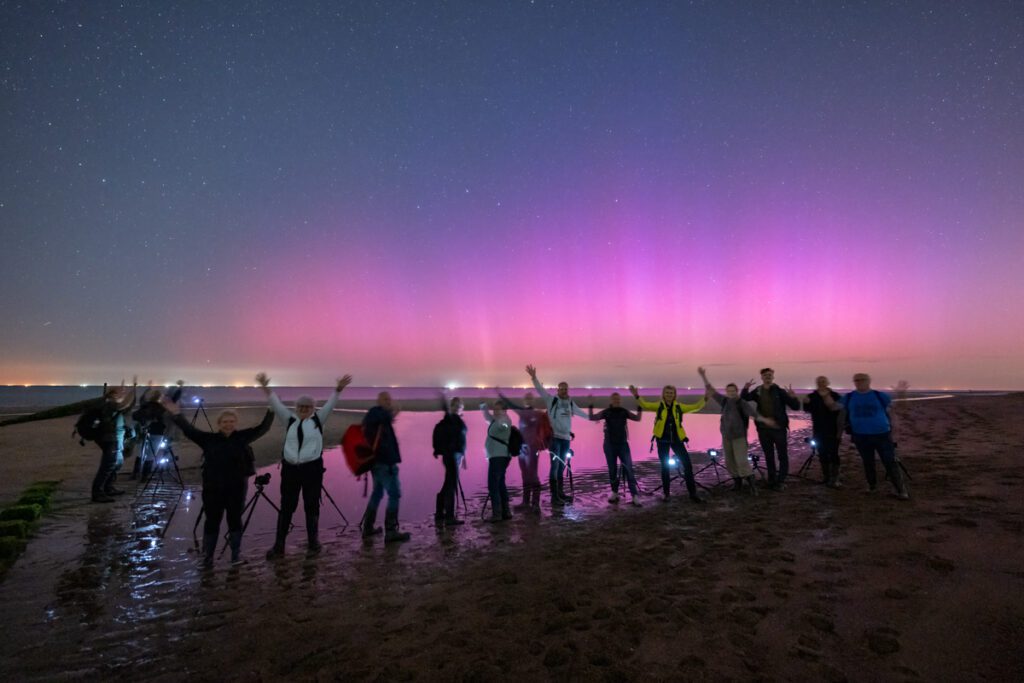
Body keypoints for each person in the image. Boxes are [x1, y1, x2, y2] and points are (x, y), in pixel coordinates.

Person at [163, 398, 274, 568]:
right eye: (224, 421)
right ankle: (208, 558)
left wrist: (272, 408)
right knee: (212, 521)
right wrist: (177, 414)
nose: (228, 424)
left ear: (235, 423)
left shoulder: (242, 437)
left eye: (231, 421)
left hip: (236, 488)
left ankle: (235, 556)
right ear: (219, 423)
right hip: (212, 488)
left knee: (235, 520)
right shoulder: (208, 439)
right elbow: (189, 430)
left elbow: (263, 428)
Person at [259, 372, 352, 558]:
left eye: (308, 406)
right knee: (287, 506)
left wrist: (338, 390)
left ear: (313, 408)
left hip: (312, 470)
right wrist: (266, 389)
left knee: (311, 506)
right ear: (296, 407)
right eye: (301, 406)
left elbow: (330, 404)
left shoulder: (318, 419)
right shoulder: (290, 420)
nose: (304, 409)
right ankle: (279, 546)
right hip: (290, 470)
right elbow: (276, 405)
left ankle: (313, 543)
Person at [629, 381, 706, 503]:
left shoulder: (679, 407)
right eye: (667, 393)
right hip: (662, 440)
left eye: (671, 393)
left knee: (688, 465)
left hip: (677, 440)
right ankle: (666, 494)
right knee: (665, 467)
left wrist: (705, 398)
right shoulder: (659, 406)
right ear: (663, 395)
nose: (669, 394)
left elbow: (696, 406)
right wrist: (636, 396)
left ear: (674, 395)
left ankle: (692, 493)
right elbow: (645, 405)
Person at [526, 365, 588, 505]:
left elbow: (581, 413)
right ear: (558, 390)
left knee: (561, 467)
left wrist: (594, 417)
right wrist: (534, 378)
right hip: (554, 439)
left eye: (566, 389)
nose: (564, 391)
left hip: (566, 439)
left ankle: (560, 493)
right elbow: (540, 391)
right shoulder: (551, 400)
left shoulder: (570, 402)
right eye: (562, 388)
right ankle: (554, 497)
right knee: (554, 467)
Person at [841, 373, 908, 499]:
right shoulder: (849, 397)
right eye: (856, 380)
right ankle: (872, 487)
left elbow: (892, 412)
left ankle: (901, 490)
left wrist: (896, 430)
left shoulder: (879, 395)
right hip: (860, 435)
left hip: (882, 434)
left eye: (862, 380)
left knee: (889, 461)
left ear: (869, 381)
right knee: (868, 462)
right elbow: (836, 408)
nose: (859, 382)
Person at [699, 367, 763, 494]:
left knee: (741, 461)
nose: (731, 393)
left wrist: (766, 420)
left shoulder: (741, 402)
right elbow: (711, 390)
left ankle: (752, 485)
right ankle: (737, 482)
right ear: (726, 392)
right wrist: (703, 376)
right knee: (730, 461)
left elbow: (753, 413)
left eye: (733, 391)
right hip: (726, 437)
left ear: (736, 391)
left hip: (739, 437)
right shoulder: (724, 401)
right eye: (729, 391)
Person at [361, 391, 412, 543]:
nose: (388, 401)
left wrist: (392, 413)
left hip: (379, 463)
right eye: (385, 399)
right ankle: (390, 531)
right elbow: (380, 420)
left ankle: (368, 527)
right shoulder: (375, 413)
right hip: (383, 463)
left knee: (377, 493)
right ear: (378, 400)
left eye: (389, 399)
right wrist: (393, 412)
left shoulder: (379, 416)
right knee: (395, 493)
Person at [740, 368, 800, 491]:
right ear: (762, 377)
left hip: (779, 429)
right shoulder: (758, 390)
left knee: (782, 455)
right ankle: (772, 480)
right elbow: (744, 398)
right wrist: (745, 388)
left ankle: (781, 480)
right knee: (769, 455)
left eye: (770, 375)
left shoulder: (779, 391)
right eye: (765, 375)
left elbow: (795, 407)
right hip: (763, 429)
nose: (768, 377)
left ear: (773, 377)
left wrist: (794, 397)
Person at [787, 376, 844, 488]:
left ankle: (835, 478)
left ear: (827, 382)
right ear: (816, 383)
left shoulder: (835, 395)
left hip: (833, 429)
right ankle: (826, 477)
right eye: (819, 381)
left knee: (833, 453)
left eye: (823, 381)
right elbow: (807, 409)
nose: (821, 383)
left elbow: (841, 411)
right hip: (818, 430)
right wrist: (805, 402)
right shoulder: (812, 396)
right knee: (822, 453)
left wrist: (841, 429)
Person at [498, 390, 549, 511]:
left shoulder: (535, 414)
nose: (528, 400)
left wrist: (502, 395)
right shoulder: (526, 413)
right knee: (525, 474)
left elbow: (512, 405)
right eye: (526, 398)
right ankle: (526, 502)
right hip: (522, 449)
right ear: (524, 400)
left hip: (533, 448)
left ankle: (535, 504)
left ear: (534, 400)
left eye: (530, 398)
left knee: (533, 474)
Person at [588, 392, 642, 506]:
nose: (616, 401)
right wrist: (590, 405)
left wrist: (640, 407)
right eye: (614, 399)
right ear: (611, 400)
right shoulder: (606, 412)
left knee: (629, 469)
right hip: (609, 445)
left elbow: (637, 418)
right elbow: (592, 417)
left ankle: (634, 495)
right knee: (612, 470)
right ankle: (614, 492)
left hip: (623, 445)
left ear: (620, 400)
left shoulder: (624, 411)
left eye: (618, 399)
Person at [90, 379, 137, 503]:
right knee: (107, 465)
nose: (124, 393)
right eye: (122, 391)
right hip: (110, 438)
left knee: (117, 463)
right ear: (114, 393)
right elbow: (126, 406)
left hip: (115, 438)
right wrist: (133, 391)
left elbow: (127, 408)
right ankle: (98, 492)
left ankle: (108, 486)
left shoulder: (114, 403)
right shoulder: (110, 403)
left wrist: (133, 391)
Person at [130, 382, 183, 480]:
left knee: (140, 453)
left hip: (144, 431)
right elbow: (174, 400)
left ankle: (135, 473)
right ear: (159, 397)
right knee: (151, 454)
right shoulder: (162, 407)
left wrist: (148, 388)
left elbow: (141, 398)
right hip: (157, 432)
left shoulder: (145, 405)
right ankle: (145, 476)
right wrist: (180, 388)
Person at [432, 395, 467, 527]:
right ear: (451, 407)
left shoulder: (456, 421)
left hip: (454, 456)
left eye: (459, 407)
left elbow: (461, 440)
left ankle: (440, 512)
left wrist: (463, 457)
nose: (457, 409)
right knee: (451, 485)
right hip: (451, 456)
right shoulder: (451, 420)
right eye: (455, 406)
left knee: (448, 483)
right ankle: (450, 516)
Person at [481, 400, 515, 522]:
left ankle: (497, 514)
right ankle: (506, 512)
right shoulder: (495, 420)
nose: (495, 411)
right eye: (494, 409)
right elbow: (487, 417)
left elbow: (504, 426)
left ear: (504, 410)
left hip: (499, 457)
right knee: (500, 484)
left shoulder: (505, 420)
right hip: (497, 456)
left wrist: (501, 420)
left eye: (498, 409)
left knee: (493, 485)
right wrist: (483, 405)